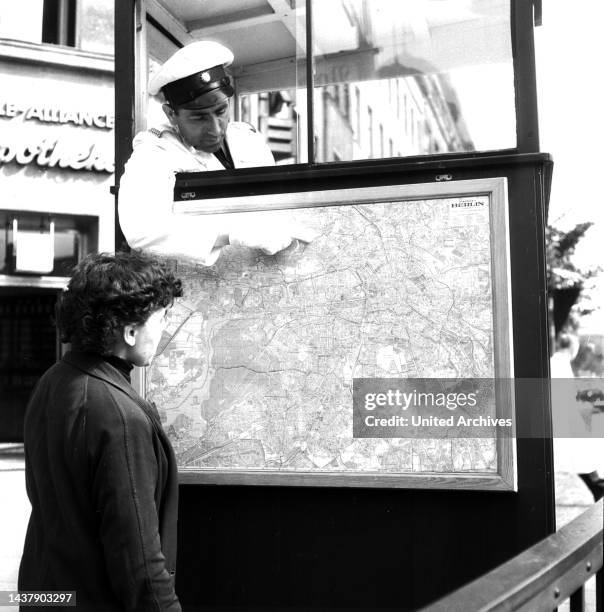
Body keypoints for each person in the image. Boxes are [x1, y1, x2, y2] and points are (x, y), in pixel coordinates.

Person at [18, 251, 183, 611]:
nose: (164, 328)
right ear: (130, 330)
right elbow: (138, 560)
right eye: (160, 317)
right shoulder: (120, 417)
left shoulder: (54, 381)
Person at [118, 40, 311, 266]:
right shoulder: (154, 153)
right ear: (171, 114)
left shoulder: (248, 139)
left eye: (221, 111)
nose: (216, 128)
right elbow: (142, 230)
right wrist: (231, 233)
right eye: (199, 118)